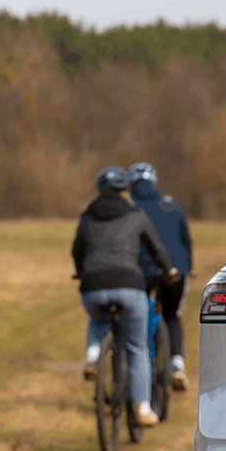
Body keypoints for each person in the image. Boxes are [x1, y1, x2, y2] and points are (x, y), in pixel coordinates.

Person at [72, 166, 178, 428]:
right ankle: (142, 407)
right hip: (130, 285)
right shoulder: (136, 214)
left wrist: (81, 272)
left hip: (93, 285)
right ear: (125, 190)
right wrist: (169, 270)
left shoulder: (87, 216)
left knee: (98, 320)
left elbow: (77, 250)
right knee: (137, 346)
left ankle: (93, 357)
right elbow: (156, 247)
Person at [128, 162, 194, 390]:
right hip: (176, 269)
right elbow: (185, 239)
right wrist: (188, 267)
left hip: (141, 271)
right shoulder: (172, 205)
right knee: (172, 315)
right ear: (154, 182)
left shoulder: (129, 208)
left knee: (139, 315)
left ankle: (142, 362)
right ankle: (177, 363)